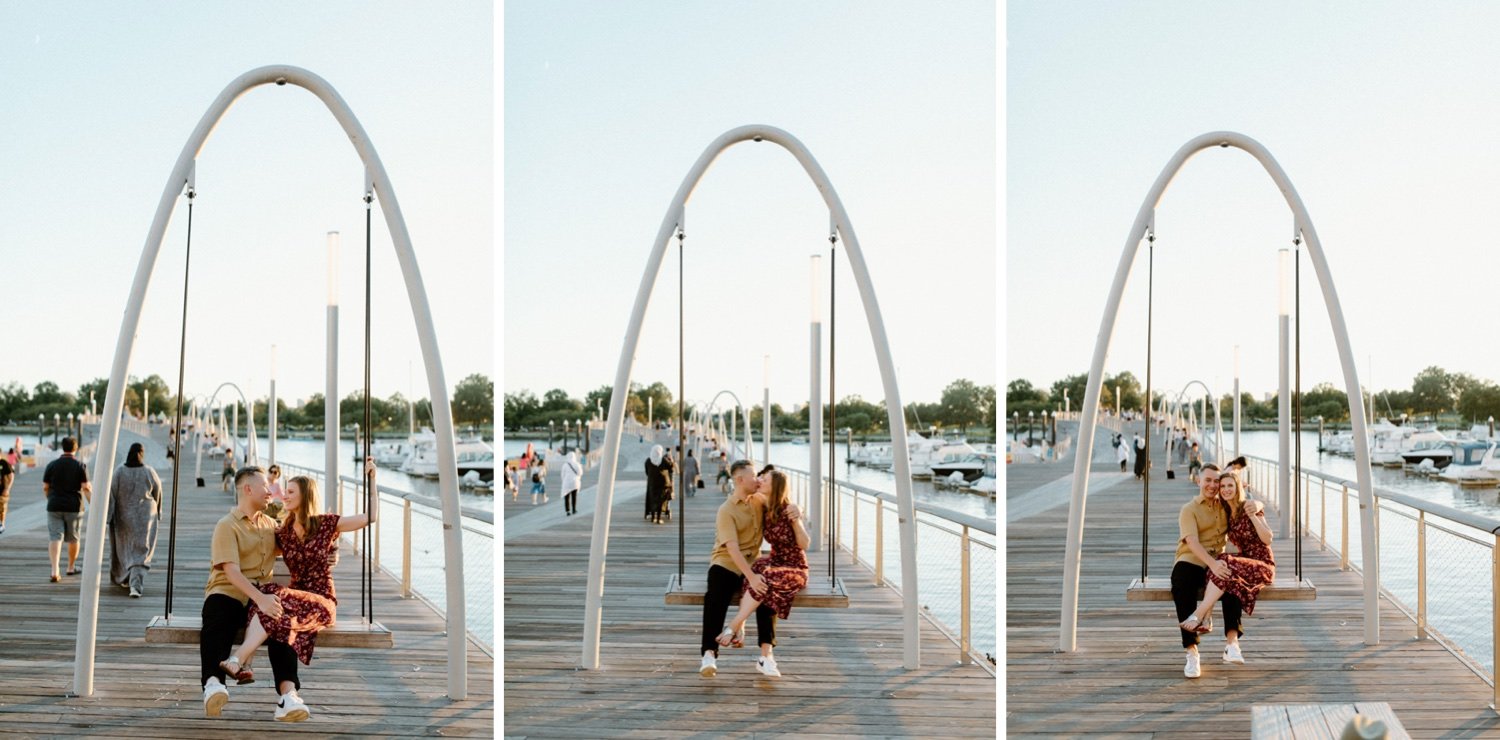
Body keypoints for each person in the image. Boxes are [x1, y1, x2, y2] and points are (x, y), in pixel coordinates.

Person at [218, 463, 374, 710]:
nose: (284, 495)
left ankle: (240, 658)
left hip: (320, 601)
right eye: (285, 491)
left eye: (290, 492)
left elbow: (369, 517)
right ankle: (284, 696)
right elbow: (257, 542)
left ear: (305, 496)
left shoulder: (326, 524)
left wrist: (371, 481)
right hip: (293, 600)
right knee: (274, 606)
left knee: (273, 596)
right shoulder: (284, 532)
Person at [199, 466, 308, 721]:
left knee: (282, 620)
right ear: (248, 489)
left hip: (259, 599)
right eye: (265, 486)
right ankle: (214, 684)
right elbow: (231, 572)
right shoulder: (227, 526)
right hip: (228, 592)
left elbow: (299, 539)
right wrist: (262, 599)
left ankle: (288, 696)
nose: (271, 491)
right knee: (218, 618)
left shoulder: (271, 525)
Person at [716, 467, 808, 678]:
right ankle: (762, 653)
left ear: (774, 486)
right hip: (775, 561)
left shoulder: (787, 509)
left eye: (764, 479)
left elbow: (804, 543)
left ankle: (734, 625)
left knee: (764, 580)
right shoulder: (763, 503)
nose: (759, 480)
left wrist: (798, 515)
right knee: (756, 573)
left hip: (794, 566)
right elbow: (741, 494)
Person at [1179, 470, 1273, 668]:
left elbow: (1268, 538)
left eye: (1230, 485)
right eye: (1223, 486)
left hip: (1261, 564)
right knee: (1222, 563)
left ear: (1237, 487)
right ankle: (1224, 640)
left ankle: (1201, 613)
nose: (1225, 489)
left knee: (1225, 563)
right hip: (1244, 564)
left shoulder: (1248, 507)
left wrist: (1255, 511)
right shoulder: (1226, 511)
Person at [699, 460, 773, 678]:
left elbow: (782, 503)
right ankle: (709, 653)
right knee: (715, 596)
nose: (758, 479)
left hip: (754, 562)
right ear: (741, 480)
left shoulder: (760, 501)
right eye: (754, 476)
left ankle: (766, 656)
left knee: (767, 593)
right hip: (726, 562)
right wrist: (751, 578)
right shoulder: (726, 510)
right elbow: (731, 549)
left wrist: (797, 509)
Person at [1170, 463, 1244, 679]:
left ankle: (1232, 644)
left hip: (1217, 560)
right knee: (1182, 584)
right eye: (1208, 480)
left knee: (1232, 579)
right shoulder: (1189, 509)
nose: (1212, 485)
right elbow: (1191, 541)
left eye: (1216, 482)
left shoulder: (1225, 506)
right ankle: (1192, 652)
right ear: (1199, 481)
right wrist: (1212, 564)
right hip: (1191, 559)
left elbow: (1243, 503)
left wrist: (1256, 503)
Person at [109, 442, 161, 597]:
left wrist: (109, 517)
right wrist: (158, 511)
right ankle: (135, 586)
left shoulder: (119, 472)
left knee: (125, 550)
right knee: (141, 551)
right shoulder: (148, 471)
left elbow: (111, 494)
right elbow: (158, 493)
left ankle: (129, 581)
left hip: (124, 517)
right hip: (145, 518)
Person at [42, 437, 91, 582]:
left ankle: (54, 570)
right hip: (74, 506)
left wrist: (50, 498)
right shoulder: (80, 465)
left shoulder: (52, 465)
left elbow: (45, 486)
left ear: (62, 447)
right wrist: (94, 505)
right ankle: (71, 567)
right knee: (73, 538)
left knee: (55, 537)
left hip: (54, 505)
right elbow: (86, 488)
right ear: (76, 448)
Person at [644, 445, 674, 524]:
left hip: (652, 483)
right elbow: (671, 468)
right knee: (661, 501)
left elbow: (647, 472)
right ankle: (659, 519)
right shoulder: (663, 460)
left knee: (653, 500)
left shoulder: (648, 460)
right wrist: (670, 460)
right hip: (663, 484)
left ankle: (653, 517)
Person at [560, 450, 582, 516]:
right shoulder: (577, 464)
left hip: (567, 482)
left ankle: (568, 511)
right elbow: (580, 473)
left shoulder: (565, 465)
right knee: (574, 496)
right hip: (575, 482)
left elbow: (562, 475)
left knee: (566, 497)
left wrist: (564, 480)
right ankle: (574, 510)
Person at [0, 449, 13, 535]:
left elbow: (11, 476)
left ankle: (2, 524)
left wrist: (8, 488)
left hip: (2, 490)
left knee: (2, 508)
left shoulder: (3, 463)